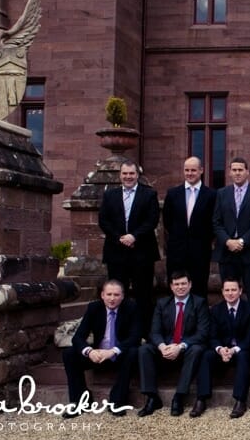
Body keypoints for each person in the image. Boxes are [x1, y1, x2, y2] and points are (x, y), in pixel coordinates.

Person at [61, 279, 140, 418]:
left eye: (116, 295)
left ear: (122, 296)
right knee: (69, 353)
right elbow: (78, 337)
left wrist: (113, 351)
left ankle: (117, 401)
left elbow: (135, 337)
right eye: (109, 294)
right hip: (98, 355)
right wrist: (89, 351)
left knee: (133, 351)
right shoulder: (94, 308)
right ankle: (80, 401)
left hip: (118, 354)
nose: (112, 298)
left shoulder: (131, 307)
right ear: (102, 295)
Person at [137, 271, 211, 417]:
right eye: (176, 284)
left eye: (184, 283)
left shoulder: (199, 303)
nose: (180, 287)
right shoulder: (162, 303)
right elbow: (155, 332)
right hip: (166, 347)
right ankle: (152, 397)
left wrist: (180, 346)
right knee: (144, 349)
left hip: (186, 348)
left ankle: (179, 396)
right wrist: (162, 346)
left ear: (190, 285)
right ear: (171, 286)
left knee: (197, 349)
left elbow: (202, 333)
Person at [98, 160, 160, 334]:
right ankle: (119, 332)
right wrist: (119, 237)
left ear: (137, 175)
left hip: (142, 253)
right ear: (120, 175)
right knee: (116, 295)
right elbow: (104, 220)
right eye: (125, 174)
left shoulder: (149, 194)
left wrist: (134, 236)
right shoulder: (110, 195)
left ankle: (144, 333)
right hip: (116, 253)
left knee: (144, 296)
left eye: (131, 173)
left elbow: (152, 220)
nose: (128, 177)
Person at [190, 278, 250, 419]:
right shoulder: (216, 310)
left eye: (233, 290)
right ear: (222, 292)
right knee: (206, 355)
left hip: (242, 350)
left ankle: (240, 401)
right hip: (223, 351)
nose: (230, 293)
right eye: (227, 290)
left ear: (240, 291)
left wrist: (234, 350)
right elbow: (212, 336)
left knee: (243, 355)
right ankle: (201, 399)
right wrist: (220, 349)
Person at [213, 157, 250, 306]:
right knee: (229, 296)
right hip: (227, 252)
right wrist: (228, 241)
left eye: (240, 170)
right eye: (234, 170)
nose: (237, 173)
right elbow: (216, 222)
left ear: (247, 172)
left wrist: (242, 241)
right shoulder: (221, 193)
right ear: (230, 172)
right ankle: (231, 328)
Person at [162, 156, 217, 298]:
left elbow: (214, 222)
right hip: (177, 251)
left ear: (201, 171)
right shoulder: (173, 194)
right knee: (176, 287)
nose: (190, 173)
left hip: (200, 251)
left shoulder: (212, 195)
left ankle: (199, 319)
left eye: (193, 170)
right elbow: (167, 221)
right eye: (187, 170)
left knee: (199, 289)